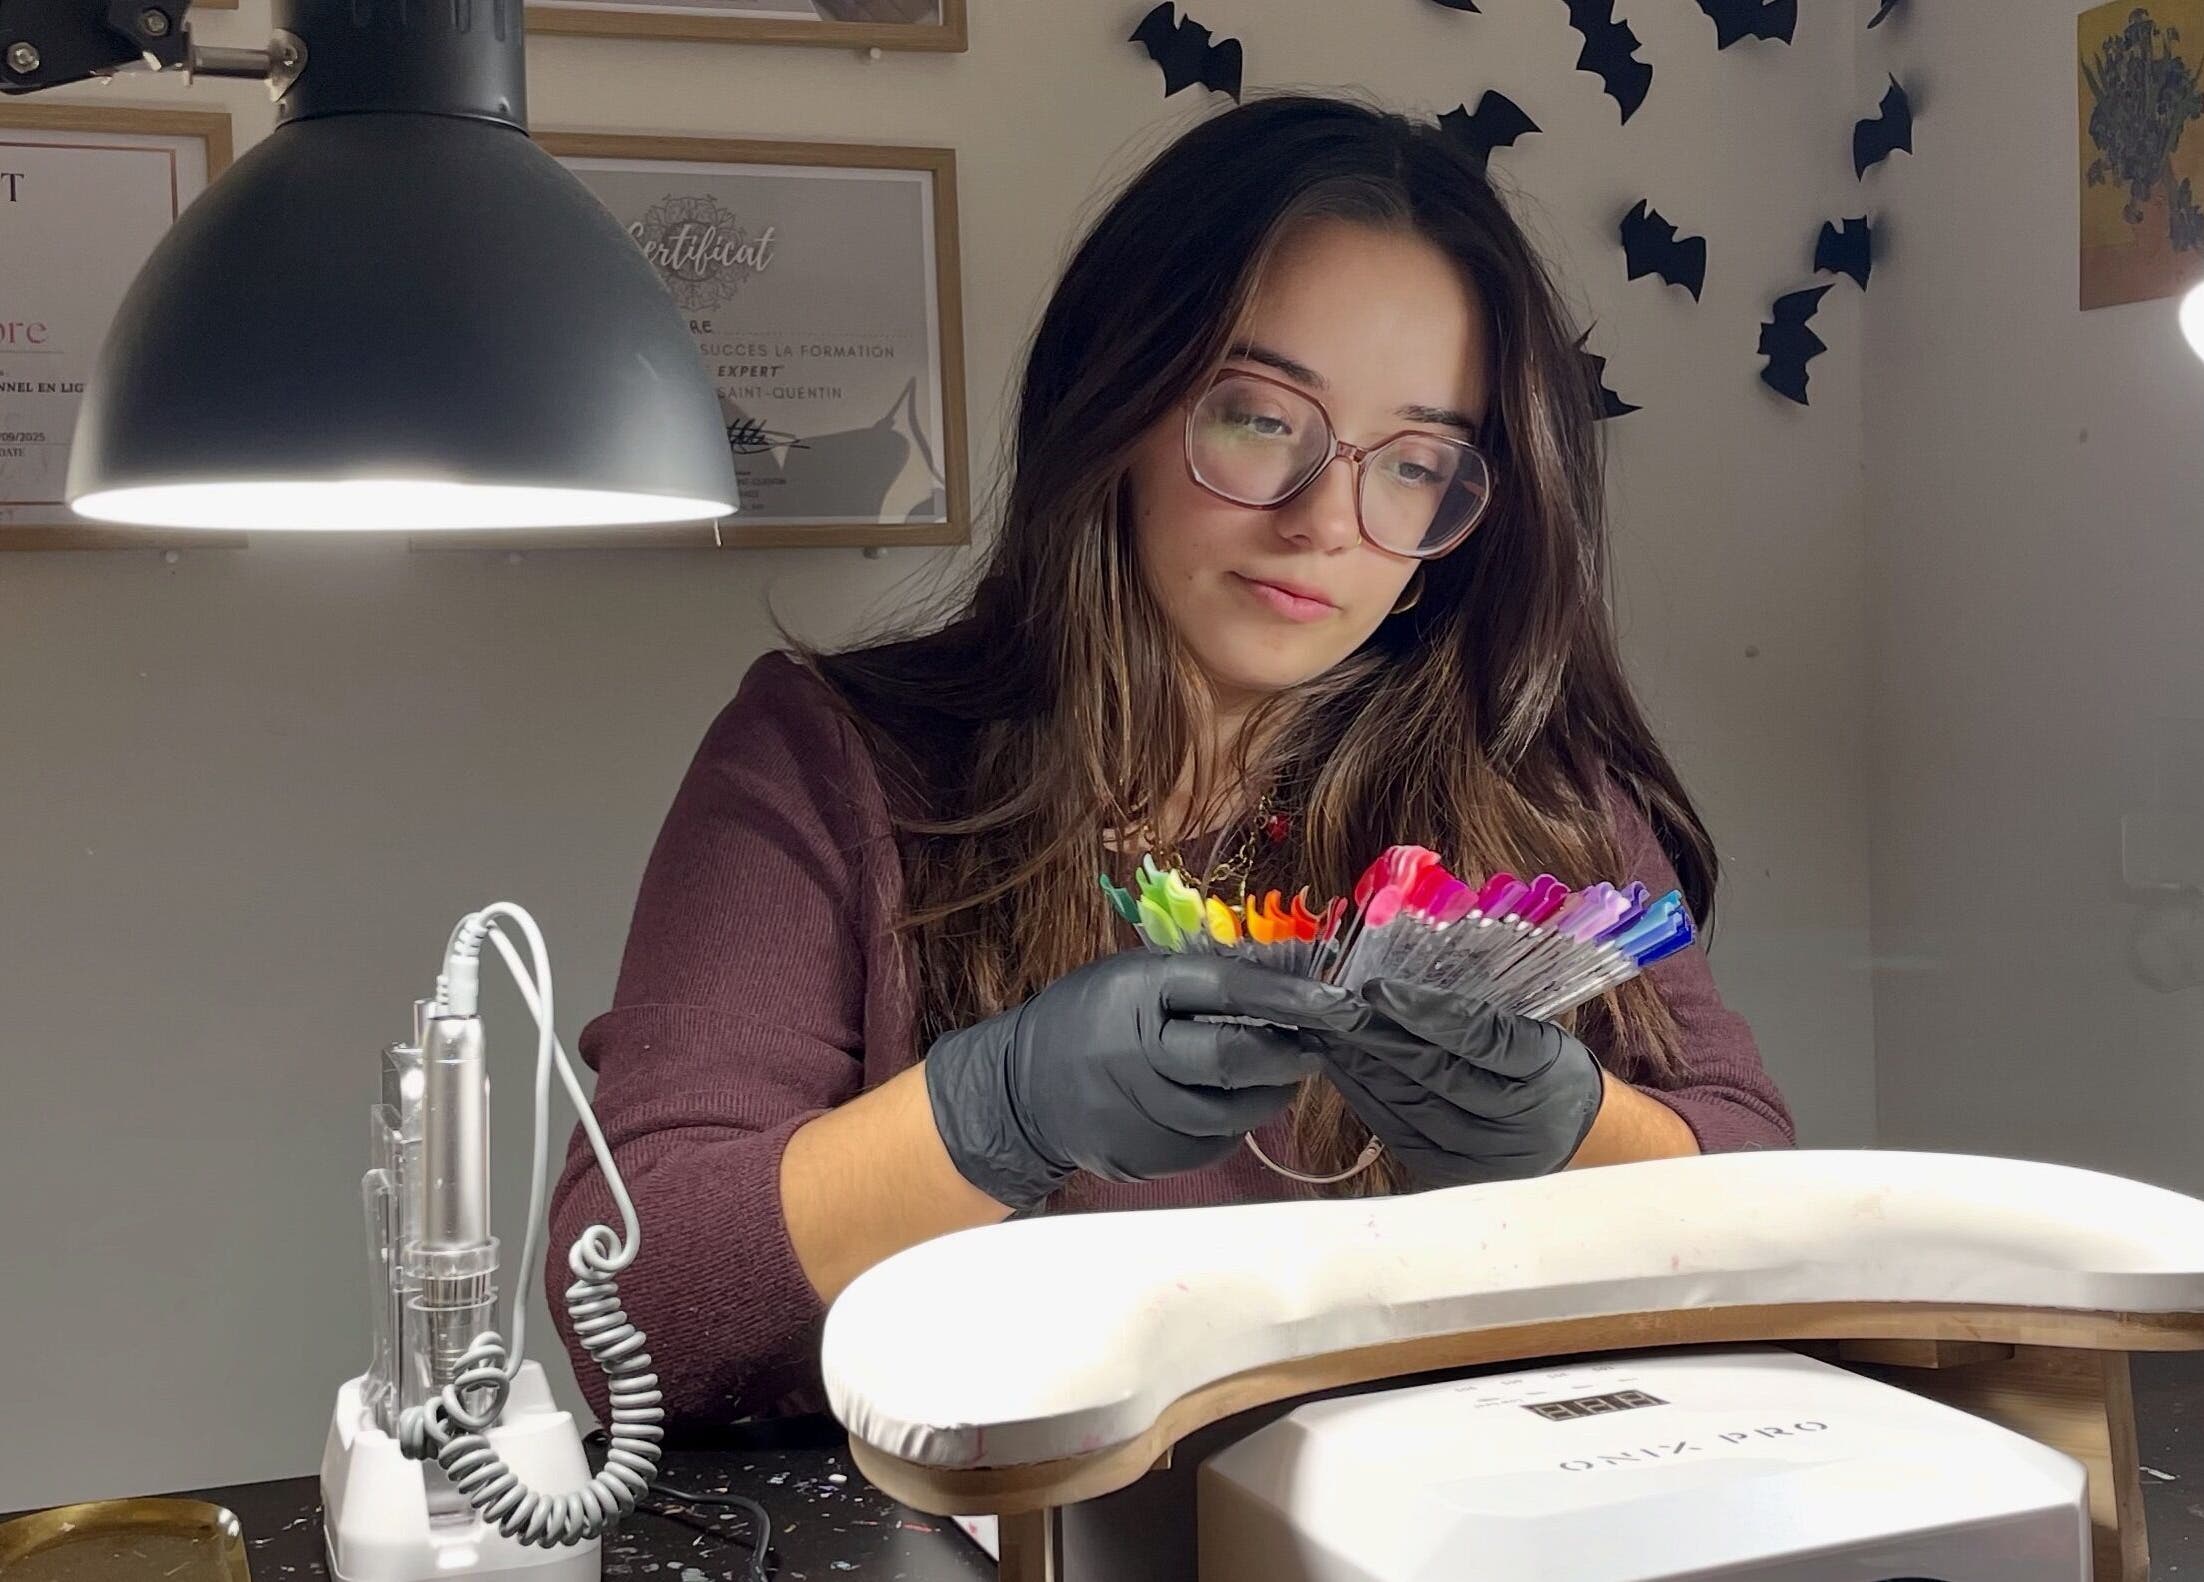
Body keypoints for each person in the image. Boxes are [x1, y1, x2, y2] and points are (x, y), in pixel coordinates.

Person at [550, 94, 1794, 1428]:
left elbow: (1767, 1198)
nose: (1328, 521)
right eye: (1261, 417)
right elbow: (639, 1295)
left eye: (1418, 460)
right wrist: (993, 1111)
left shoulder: (1536, 796)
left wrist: (1575, 1130)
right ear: (1122, 398)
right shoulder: (830, 761)